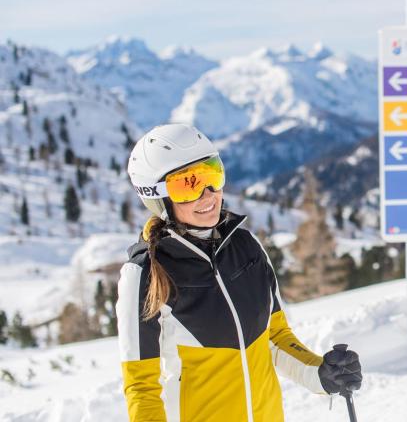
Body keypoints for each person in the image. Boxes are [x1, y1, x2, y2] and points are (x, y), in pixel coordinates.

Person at [115, 124, 362, 421]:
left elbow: (276, 337)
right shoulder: (145, 273)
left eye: (212, 176)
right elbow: (141, 387)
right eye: (188, 185)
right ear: (157, 196)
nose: (208, 196)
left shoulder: (246, 246)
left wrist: (322, 375)